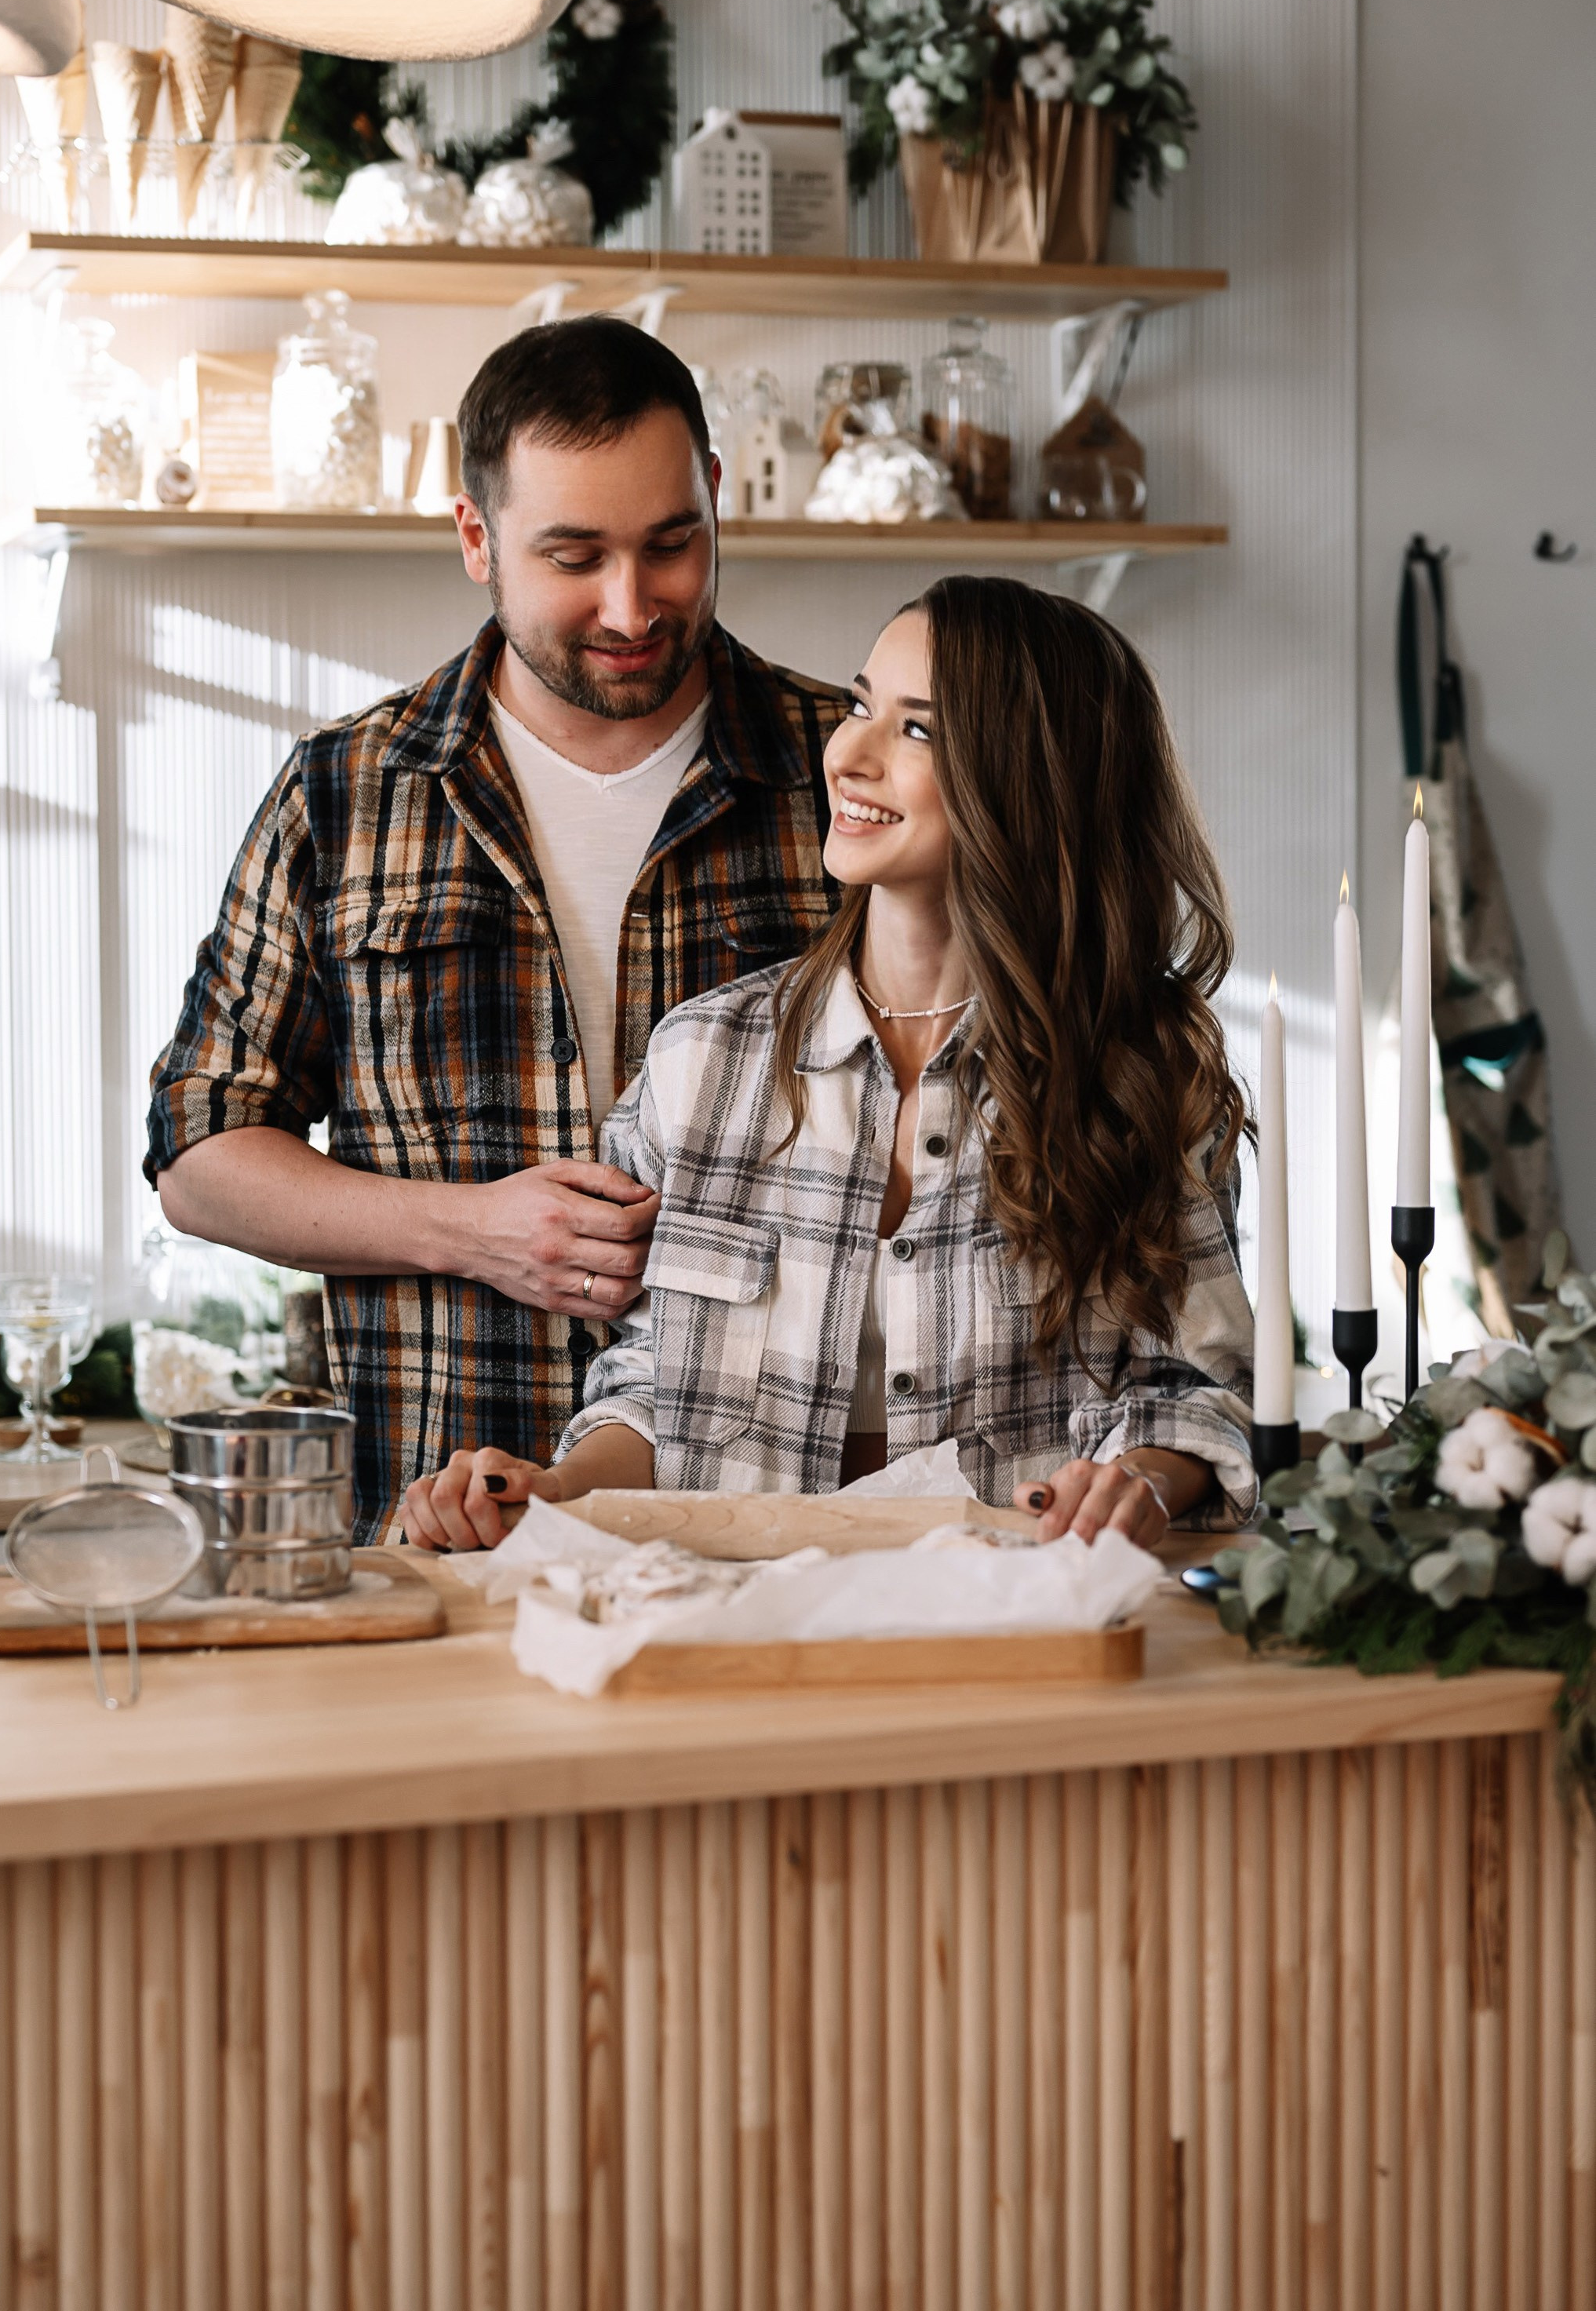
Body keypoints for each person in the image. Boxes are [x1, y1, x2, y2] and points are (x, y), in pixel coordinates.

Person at [146, 316, 846, 1535]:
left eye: (671, 545)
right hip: (442, 1547)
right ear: (475, 538)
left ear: (716, 499)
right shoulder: (344, 792)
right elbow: (201, 1155)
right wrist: (468, 1229)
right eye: (573, 557)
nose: (631, 607)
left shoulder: (849, 771)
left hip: (774, 1548)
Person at [403, 574, 1257, 1551]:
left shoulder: (1142, 1072)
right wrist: (552, 1492)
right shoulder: (704, 1059)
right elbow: (652, 1385)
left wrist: (1135, 1484)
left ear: (1030, 778)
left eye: (918, 731)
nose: (847, 754)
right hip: (734, 1633)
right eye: (859, 705)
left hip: (1019, 1636)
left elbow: (1201, 1390)